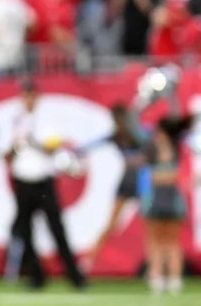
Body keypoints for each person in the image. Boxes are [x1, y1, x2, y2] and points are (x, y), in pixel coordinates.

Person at [6, 80, 86, 290]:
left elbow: (53, 148)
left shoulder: (47, 119)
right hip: (23, 180)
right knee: (24, 230)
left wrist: (33, 141)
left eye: (31, 95)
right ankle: (36, 276)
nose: (28, 100)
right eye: (25, 95)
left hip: (43, 180)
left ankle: (74, 276)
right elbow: (10, 152)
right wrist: (14, 146)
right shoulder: (17, 120)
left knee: (57, 229)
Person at [82, 103, 146, 273]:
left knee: (151, 224)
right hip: (128, 181)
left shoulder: (138, 135)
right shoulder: (117, 137)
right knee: (111, 223)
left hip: (142, 183)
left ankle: (155, 267)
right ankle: (88, 260)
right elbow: (92, 144)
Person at [141, 116, 191, 294]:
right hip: (155, 200)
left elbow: (181, 177)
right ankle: (156, 275)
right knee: (155, 240)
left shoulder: (179, 149)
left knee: (172, 240)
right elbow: (151, 178)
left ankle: (174, 277)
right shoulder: (150, 151)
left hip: (172, 200)